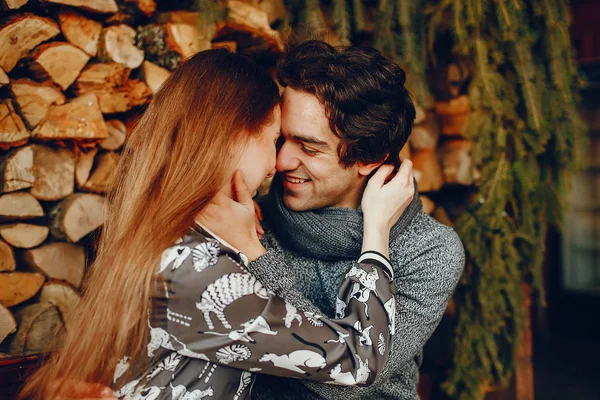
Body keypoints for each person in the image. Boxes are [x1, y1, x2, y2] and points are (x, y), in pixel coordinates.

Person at [43, 40, 465, 400]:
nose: (282, 162)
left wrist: (262, 254)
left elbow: (346, 384)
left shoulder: (429, 250)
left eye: (309, 147)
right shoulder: (235, 221)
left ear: (367, 159)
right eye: (279, 138)